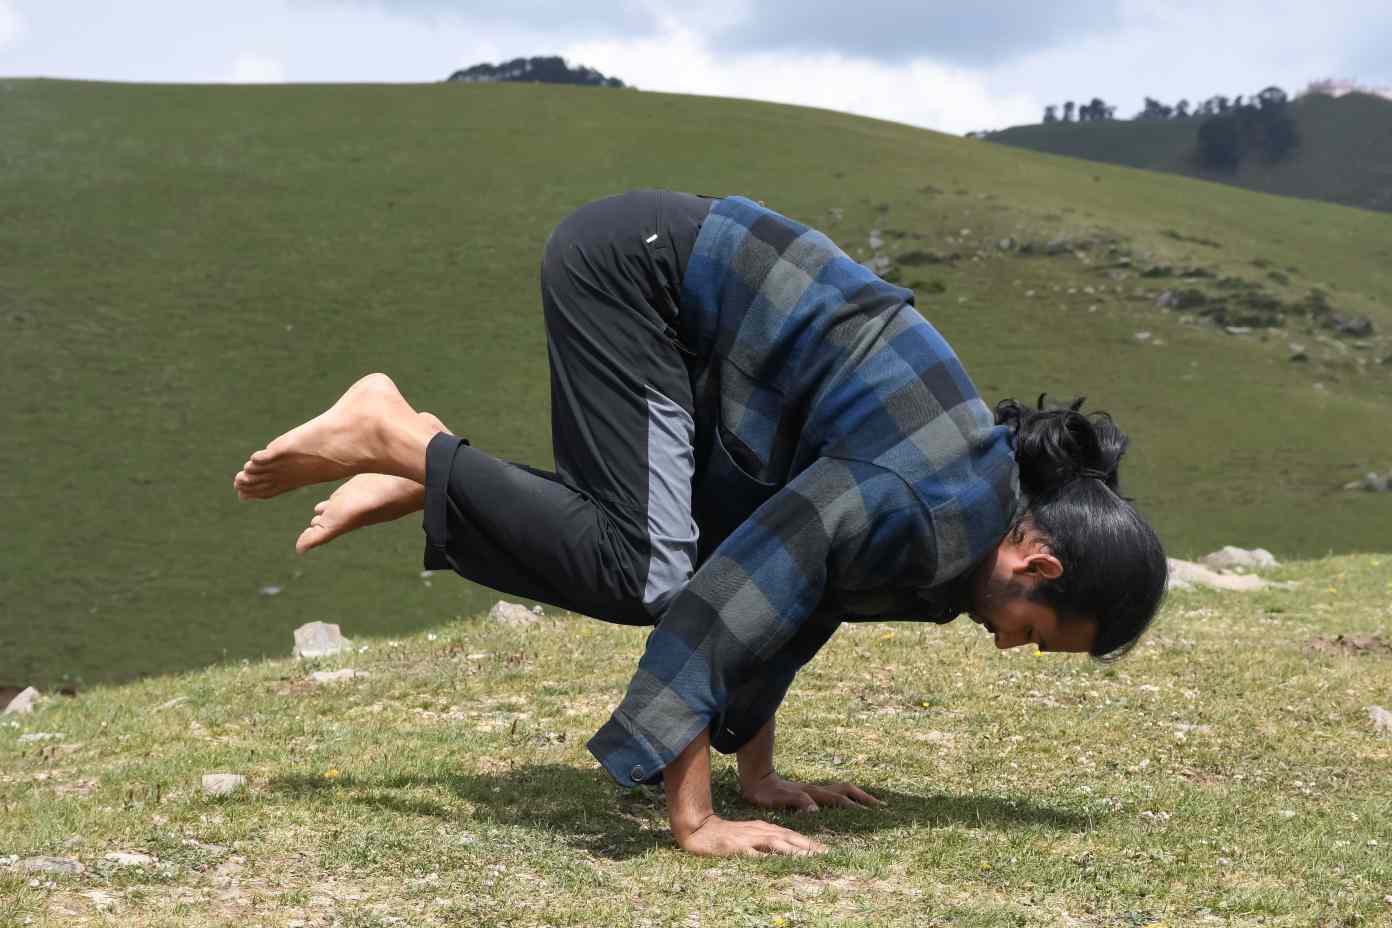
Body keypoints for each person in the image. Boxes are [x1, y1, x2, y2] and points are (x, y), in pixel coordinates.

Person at [233, 189, 1168, 858]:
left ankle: (431, 465)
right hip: (637, 274)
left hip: (697, 329)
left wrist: (756, 775)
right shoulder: (934, 510)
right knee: (648, 573)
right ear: (1038, 565)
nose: (1013, 651)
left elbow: (801, 601)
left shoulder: (962, 522)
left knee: (650, 558)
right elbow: (730, 595)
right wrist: (696, 819)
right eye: (1040, 640)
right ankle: (397, 436)